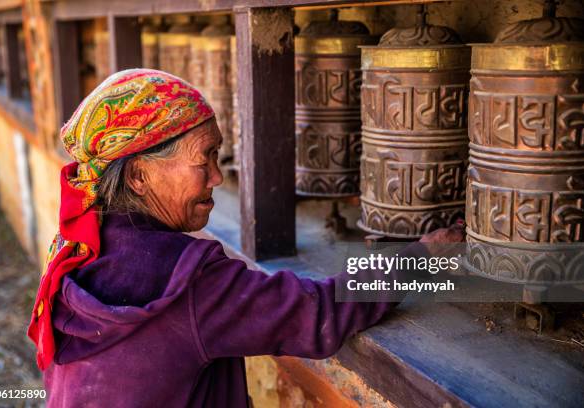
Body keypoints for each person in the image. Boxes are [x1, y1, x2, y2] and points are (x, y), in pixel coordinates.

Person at [27, 69, 464, 407]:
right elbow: (318, 314)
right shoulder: (186, 280)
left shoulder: (79, 248)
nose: (218, 176)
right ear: (140, 175)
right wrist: (420, 257)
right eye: (206, 158)